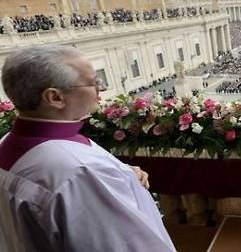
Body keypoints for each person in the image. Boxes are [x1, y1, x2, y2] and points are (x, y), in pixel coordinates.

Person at [0, 44, 176, 251]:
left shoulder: (6, 143)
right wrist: (106, 178)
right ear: (55, 97)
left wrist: (122, 176)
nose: (101, 88)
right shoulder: (81, 173)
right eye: (93, 82)